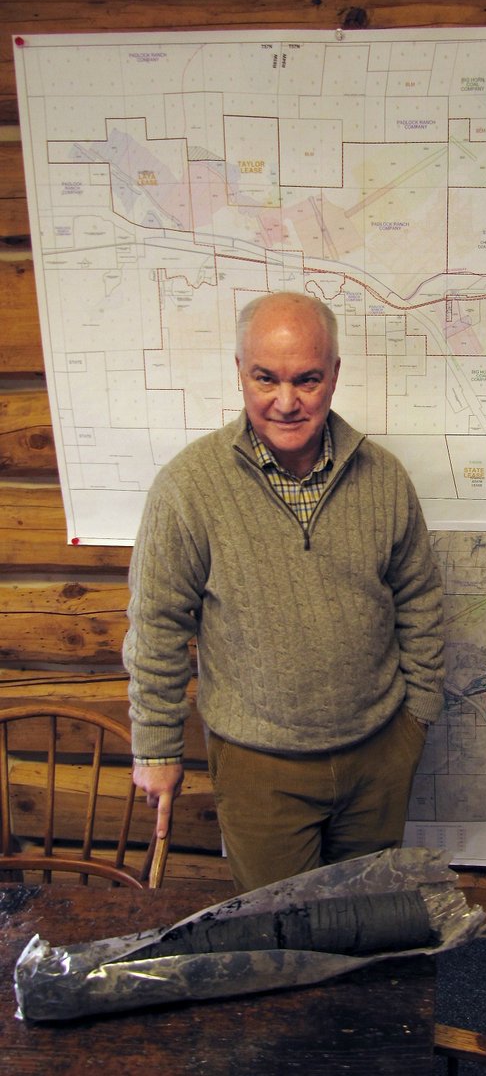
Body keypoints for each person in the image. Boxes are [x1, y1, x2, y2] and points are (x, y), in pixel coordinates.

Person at [123, 291, 444, 892]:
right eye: (266, 378)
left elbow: (419, 599)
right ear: (240, 371)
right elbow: (157, 627)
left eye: (308, 380)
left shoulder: (384, 479)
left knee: (366, 919)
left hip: (378, 754)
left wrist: (416, 718)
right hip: (257, 766)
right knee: (281, 938)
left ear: (335, 376)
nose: (287, 402)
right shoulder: (188, 487)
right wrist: (158, 750)